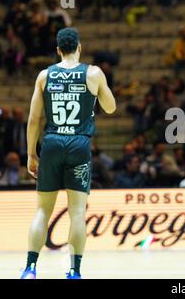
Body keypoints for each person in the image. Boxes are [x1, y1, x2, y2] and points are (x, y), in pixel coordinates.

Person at [21, 28, 116, 279]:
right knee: (77, 212)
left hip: (51, 142)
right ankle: (74, 272)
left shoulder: (45, 75)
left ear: (58, 50)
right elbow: (111, 107)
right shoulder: (93, 73)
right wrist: (97, 91)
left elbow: (33, 119)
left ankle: (30, 269)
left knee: (42, 210)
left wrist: (31, 154)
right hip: (79, 144)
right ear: (80, 48)